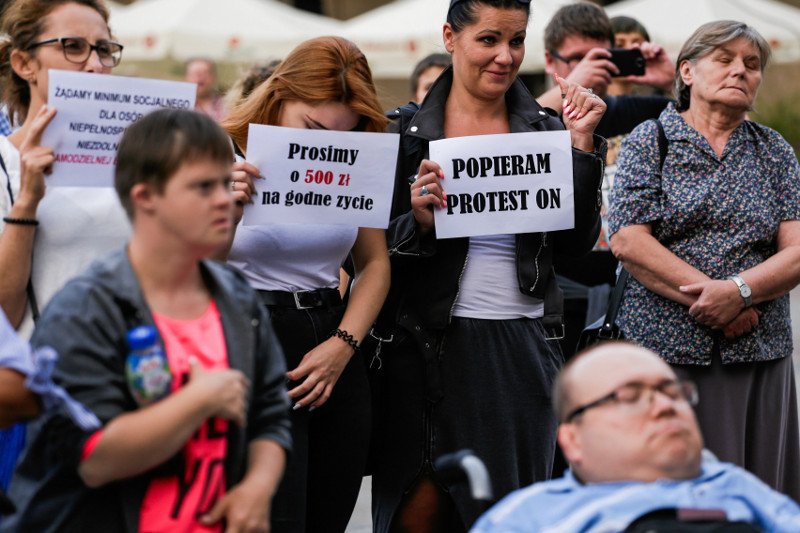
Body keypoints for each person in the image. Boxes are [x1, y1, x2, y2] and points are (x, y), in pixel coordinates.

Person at [370, 0, 607, 531]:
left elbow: (574, 247)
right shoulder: (401, 135)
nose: (505, 56)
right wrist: (417, 223)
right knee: (415, 512)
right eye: (488, 39)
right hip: (422, 353)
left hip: (522, 353)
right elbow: (363, 257)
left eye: (517, 41)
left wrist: (581, 149)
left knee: (513, 518)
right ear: (450, 37)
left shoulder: (548, 131)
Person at [2, 108, 292, 532]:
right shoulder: (87, 308)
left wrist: (257, 488)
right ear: (145, 197)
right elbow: (93, 460)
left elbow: (270, 412)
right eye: (203, 186)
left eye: (226, 182)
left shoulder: (235, 296)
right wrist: (198, 401)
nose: (224, 199)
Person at [609, 20, 800, 501]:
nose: (741, 71)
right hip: (665, 355)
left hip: (759, 356)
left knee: (754, 497)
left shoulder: (773, 149)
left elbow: (797, 250)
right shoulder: (649, 140)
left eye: (751, 64)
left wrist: (737, 293)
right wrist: (715, 301)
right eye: (726, 59)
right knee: (673, 495)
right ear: (687, 72)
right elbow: (630, 241)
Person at [221, 36, 391, 533]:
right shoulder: (219, 149)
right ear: (278, 96)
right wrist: (226, 213)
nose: (328, 145)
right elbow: (188, 269)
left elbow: (374, 263)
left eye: (346, 132)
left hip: (331, 335)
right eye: (313, 127)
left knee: (329, 506)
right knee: (269, 512)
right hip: (247, 331)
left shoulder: (356, 158)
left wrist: (343, 344)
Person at [0, 0, 130, 497]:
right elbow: (5, 316)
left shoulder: (138, 160)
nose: (95, 64)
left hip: (137, 390)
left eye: (104, 49)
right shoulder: (5, 165)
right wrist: (28, 200)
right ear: (23, 62)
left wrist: (218, 205)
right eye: (72, 47)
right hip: (40, 404)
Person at [472, 343, 800, 532]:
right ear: (573, 440)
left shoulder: (741, 491)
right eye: (628, 397)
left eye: (673, 392)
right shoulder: (527, 518)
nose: (664, 406)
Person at [535, 2, 675, 362]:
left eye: (600, 56)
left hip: (631, 294)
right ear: (550, 62)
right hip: (557, 296)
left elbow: (708, 124)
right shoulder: (536, 119)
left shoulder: (631, 110)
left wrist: (671, 80)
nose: (590, 67)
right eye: (577, 58)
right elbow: (506, 139)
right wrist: (571, 87)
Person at [608, 15, 653, 97]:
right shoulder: (590, 104)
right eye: (619, 45)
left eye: (637, 44)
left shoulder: (655, 104)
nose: (630, 49)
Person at [186, 57, 226, 122]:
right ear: (186, 77)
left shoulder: (228, 105)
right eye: (194, 73)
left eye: (204, 73)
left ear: (214, 77)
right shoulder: (179, 107)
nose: (199, 78)